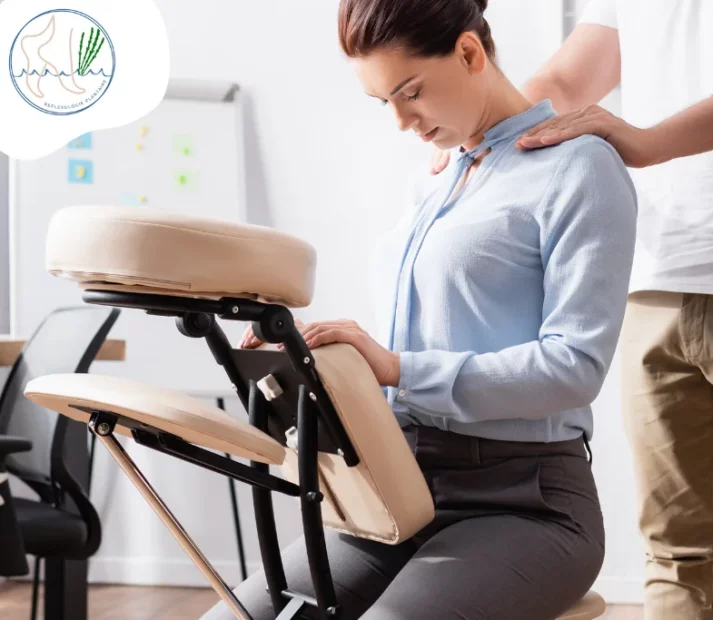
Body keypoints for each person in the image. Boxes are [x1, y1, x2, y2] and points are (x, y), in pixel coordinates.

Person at [433, 0, 713, 618]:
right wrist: (482, 130)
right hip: (652, 285)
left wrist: (647, 143)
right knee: (676, 559)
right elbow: (566, 81)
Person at [203, 0, 638, 618]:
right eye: (386, 103)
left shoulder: (579, 167)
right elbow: (411, 348)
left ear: (469, 53)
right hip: (397, 492)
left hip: (526, 503)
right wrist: (317, 355)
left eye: (411, 93)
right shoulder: (438, 181)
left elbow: (574, 367)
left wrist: (396, 367)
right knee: (235, 615)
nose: (403, 122)